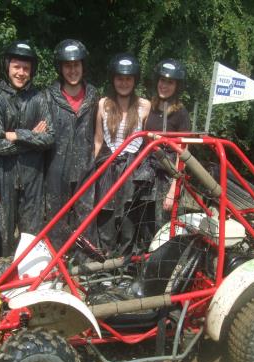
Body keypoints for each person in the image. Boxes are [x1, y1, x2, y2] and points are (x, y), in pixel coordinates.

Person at [0, 41, 54, 256]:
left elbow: (50, 138)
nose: (21, 73)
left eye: (26, 68)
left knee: (31, 234)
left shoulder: (39, 98)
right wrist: (32, 138)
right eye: (16, 67)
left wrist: (17, 135)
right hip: (5, 176)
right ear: (7, 67)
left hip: (33, 176)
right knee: (4, 234)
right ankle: (4, 278)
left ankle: (28, 277)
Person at [94, 53, 151, 256]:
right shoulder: (103, 104)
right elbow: (98, 140)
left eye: (128, 78)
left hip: (132, 167)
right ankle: (104, 261)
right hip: (109, 164)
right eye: (120, 78)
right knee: (107, 216)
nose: (124, 83)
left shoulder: (144, 105)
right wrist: (93, 169)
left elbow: (147, 142)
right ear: (113, 79)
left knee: (128, 217)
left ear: (134, 80)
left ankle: (125, 261)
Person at [43, 39, 98, 248]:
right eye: (68, 65)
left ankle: (85, 267)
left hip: (86, 168)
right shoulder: (48, 97)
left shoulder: (94, 96)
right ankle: (58, 266)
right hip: (56, 169)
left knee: (86, 219)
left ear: (83, 66)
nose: (72, 70)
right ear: (60, 67)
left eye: (76, 65)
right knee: (57, 221)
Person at [143, 58, 191, 239]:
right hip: (148, 174)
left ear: (177, 86)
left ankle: (162, 264)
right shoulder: (151, 108)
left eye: (169, 82)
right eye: (162, 80)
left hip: (168, 176)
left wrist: (173, 191)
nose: (164, 85)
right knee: (144, 224)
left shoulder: (181, 114)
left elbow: (183, 154)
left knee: (162, 226)